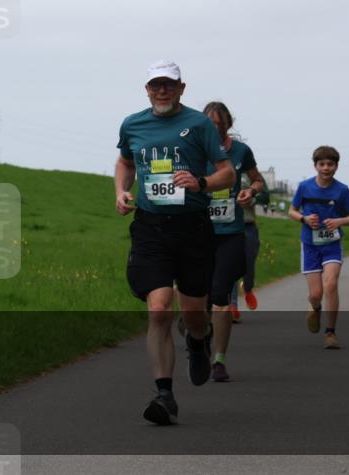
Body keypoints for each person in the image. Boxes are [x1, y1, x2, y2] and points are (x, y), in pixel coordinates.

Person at [114, 60, 234, 425]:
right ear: (147, 90)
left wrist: (201, 182)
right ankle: (164, 395)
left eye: (169, 84)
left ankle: (198, 340)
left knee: (193, 314)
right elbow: (125, 162)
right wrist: (121, 191)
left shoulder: (198, 124)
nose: (162, 90)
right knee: (159, 309)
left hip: (193, 228)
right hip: (151, 228)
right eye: (156, 85)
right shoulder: (132, 124)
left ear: (182, 88)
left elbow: (227, 172)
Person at [200, 103, 265, 382]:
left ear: (229, 123)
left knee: (221, 297)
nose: (215, 128)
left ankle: (219, 360)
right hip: (199, 234)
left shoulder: (241, 151)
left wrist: (251, 191)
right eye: (210, 123)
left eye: (220, 123)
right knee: (198, 297)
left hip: (231, 233)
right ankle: (198, 335)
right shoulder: (194, 149)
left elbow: (258, 181)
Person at [287, 146, 349, 350]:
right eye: (322, 164)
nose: (326, 168)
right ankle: (315, 308)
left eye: (330, 164)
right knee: (315, 294)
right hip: (310, 245)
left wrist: (340, 221)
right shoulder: (304, 187)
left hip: (332, 245)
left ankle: (330, 332)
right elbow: (292, 211)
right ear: (315, 166)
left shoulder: (342, 190)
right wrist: (303, 218)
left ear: (336, 166)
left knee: (331, 285)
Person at [227, 170, 268, 323]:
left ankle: (247, 288)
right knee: (230, 266)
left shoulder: (250, 172)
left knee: (248, 265)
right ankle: (232, 306)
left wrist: (251, 197)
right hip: (227, 226)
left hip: (248, 226)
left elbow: (266, 197)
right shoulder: (217, 168)